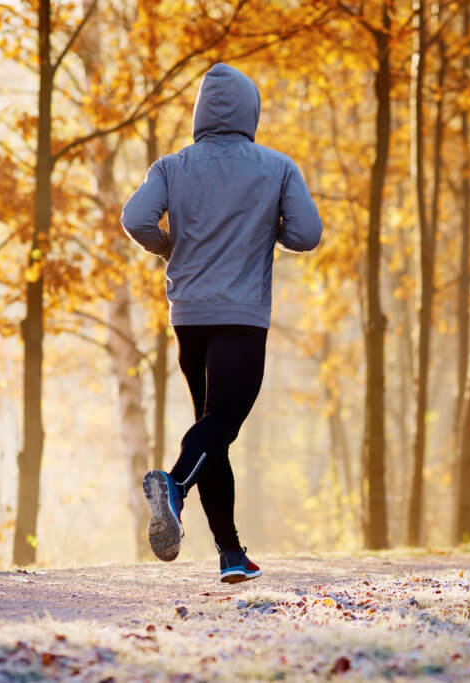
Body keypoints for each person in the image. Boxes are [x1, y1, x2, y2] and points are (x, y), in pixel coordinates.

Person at [119, 63, 322, 583]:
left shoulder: (172, 166)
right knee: (219, 427)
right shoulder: (276, 167)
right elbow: (306, 235)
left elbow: (135, 219)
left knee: (212, 433)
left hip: (189, 317)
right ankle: (175, 488)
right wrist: (266, 228)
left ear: (200, 113)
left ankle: (231, 553)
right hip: (242, 316)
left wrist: (167, 247)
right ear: (251, 112)